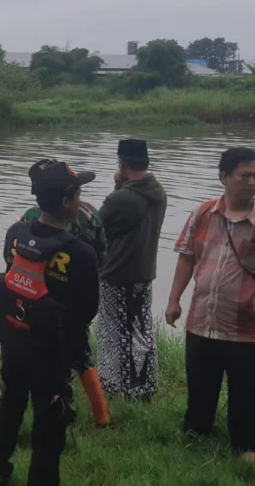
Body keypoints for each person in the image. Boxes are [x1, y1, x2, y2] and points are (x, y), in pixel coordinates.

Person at [165, 147, 255, 459]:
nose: (252, 182)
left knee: (248, 390)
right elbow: (187, 257)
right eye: (245, 176)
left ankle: (248, 446)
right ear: (224, 177)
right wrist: (174, 299)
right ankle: (196, 434)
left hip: (248, 324)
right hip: (202, 320)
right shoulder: (202, 213)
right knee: (200, 384)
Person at [0, 159, 100, 485]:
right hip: (51, 352)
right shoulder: (80, 253)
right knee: (50, 420)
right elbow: (87, 311)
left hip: (12, 337)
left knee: (11, 403)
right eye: (78, 193)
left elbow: (11, 275)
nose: (81, 200)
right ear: (67, 202)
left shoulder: (16, 232)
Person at [11, 197, 110, 427]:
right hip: (74, 298)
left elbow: (16, 256)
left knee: (30, 354)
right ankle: (101, 416)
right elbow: (101, 255)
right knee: (81, 354)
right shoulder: (90, 214)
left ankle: (39, 407)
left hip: (36, 296)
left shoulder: (31, 216)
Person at [96, 138, 167, 401]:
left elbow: (98, 228)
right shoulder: (157, 192)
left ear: (122, 163)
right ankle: (143, 386)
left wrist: (117, 185)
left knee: (114, 333)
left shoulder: (123, 198)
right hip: (143, 274)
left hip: (117, 274)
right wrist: (120, 182)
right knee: (140, 330)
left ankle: (116, 387)